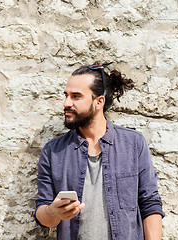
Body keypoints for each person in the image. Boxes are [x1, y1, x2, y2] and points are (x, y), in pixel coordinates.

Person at [34, 64, 165, 240]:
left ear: (99, 102)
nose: (66, 103)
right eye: (66, 96)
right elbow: (43, 216)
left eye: (76, 97)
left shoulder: (133, 144)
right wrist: (53, 212)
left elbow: (150, 204)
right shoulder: (53, 151)